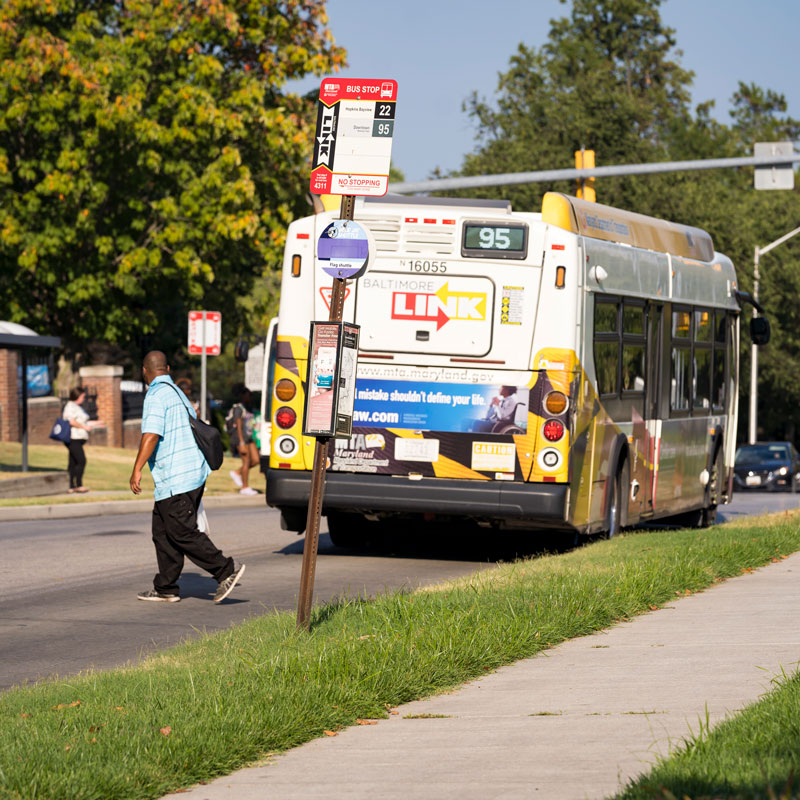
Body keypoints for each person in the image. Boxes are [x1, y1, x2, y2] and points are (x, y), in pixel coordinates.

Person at [129, 350, 245, 604]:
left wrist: (137, 468)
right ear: (167, 368)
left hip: (177, 477)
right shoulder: (177, 393)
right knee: (163, 531)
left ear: (144, 371)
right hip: (190, 473)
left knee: (182, 531)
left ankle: (226, 570)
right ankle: (165, 587)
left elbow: (151, 435)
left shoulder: (156, 394)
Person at [226, 383, 259, 496]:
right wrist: (241, 441)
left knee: (255, 460)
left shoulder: (248, 408)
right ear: (243, 395)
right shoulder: (238, 408)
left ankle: (236, 472)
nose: (251, 397)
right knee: (246, 461)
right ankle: (244, 487)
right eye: (249, 395)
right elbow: (238, 425)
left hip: (249, 437)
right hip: (240, 438)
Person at [62, 387, 91, 493]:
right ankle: (78, 484)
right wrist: (84, 427)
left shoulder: (76, 407)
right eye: (82, 396)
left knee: (73, 462)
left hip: (78, 438)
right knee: (81, 460)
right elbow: (71, 421)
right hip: (73, 438)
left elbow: (82, 421)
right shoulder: (70, 406)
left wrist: (95, 424)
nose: (83, 398)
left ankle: (70, 486)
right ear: (77, 396)